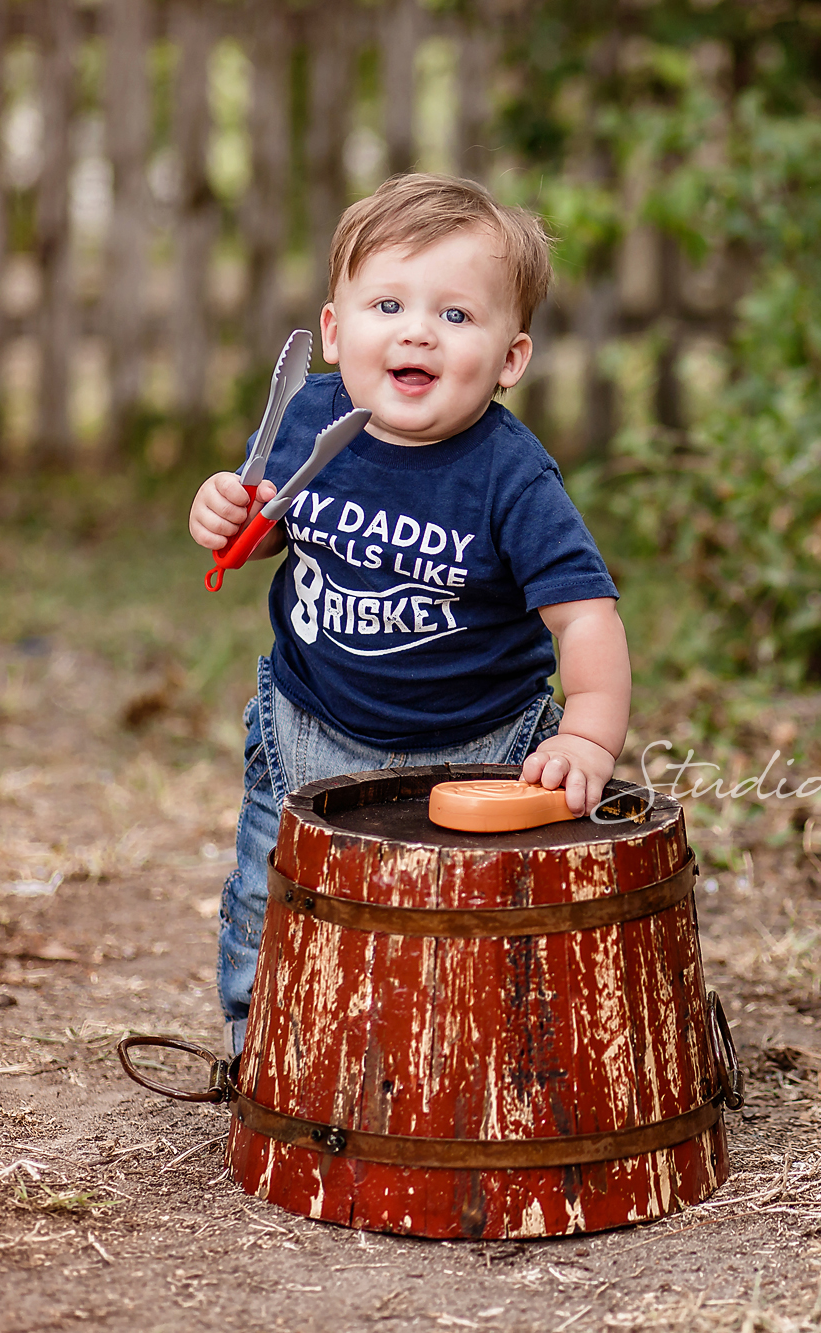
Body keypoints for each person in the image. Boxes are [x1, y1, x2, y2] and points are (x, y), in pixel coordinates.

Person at [187, 173, 630, 1057]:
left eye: (457, 316)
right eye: (388, 303)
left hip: (479, 748)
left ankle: (459, 1064)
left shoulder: (512, 476)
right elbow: (269, 525)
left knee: (464, 928)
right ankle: (262, 1054)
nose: (419, 329)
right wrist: (229, 516)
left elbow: (584, 617)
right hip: (311, 725)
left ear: (510, 359)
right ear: (336, 330)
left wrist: (585, 736)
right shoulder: (306, 416)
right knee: (268, 898)